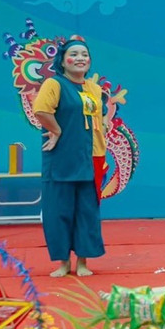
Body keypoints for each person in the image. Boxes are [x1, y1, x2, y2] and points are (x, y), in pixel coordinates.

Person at [33, 37, 107, 277]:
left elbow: (101, 117)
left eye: (84, 55)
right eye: (73, 54)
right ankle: (63, 263)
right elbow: (41, 110)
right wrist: (56, 130)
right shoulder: (54, 84)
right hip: (62, 157)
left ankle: (83, 262)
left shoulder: (94, 89)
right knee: (59, 211)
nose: (80, 58)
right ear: (63, 61)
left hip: (91, 157)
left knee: (87, 212)